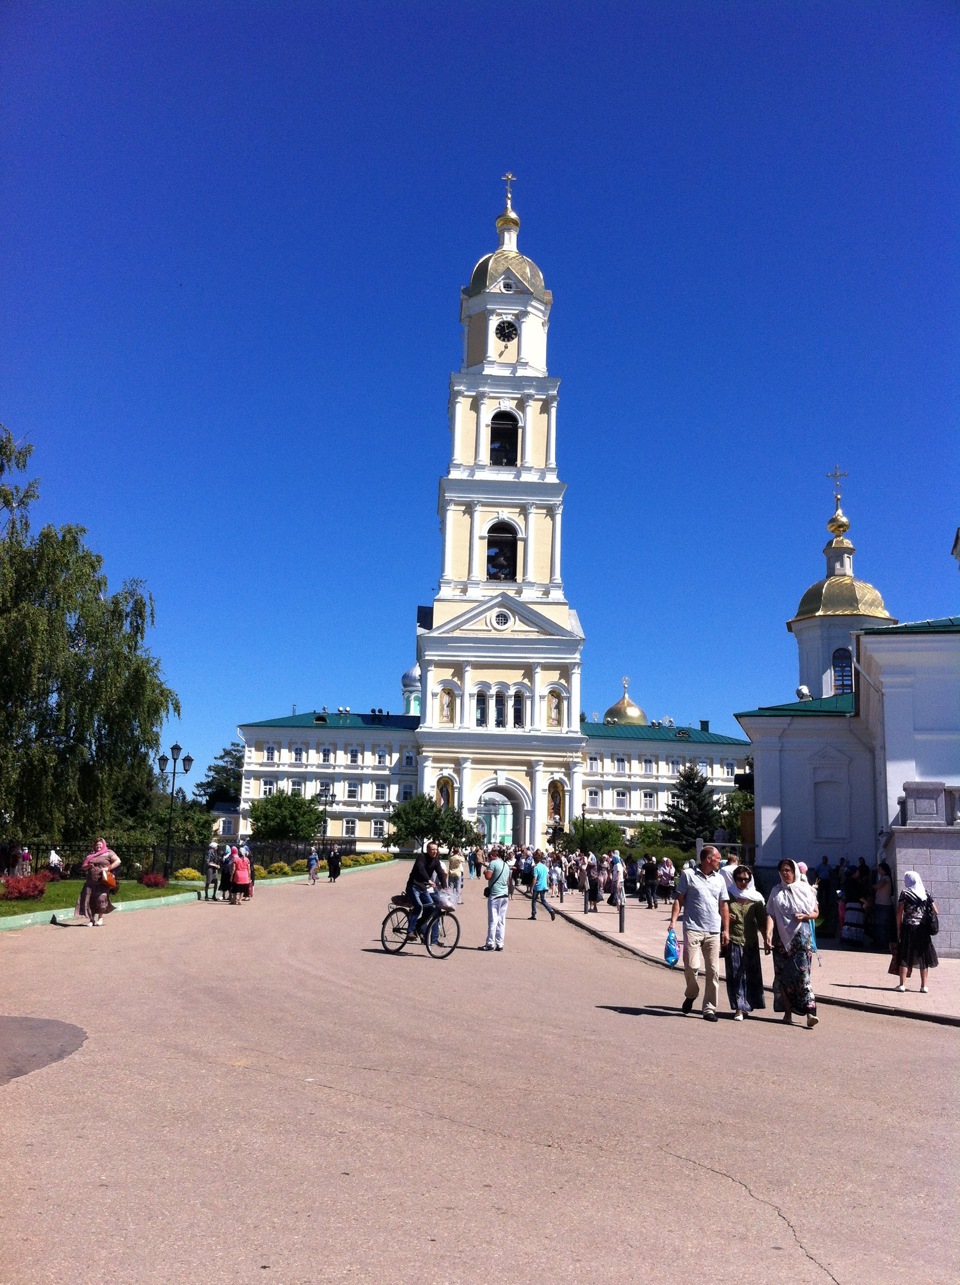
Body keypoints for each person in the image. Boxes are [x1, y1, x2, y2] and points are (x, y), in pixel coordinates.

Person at [669, 845, 730, 1021]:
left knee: (713, 971)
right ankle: (692, 993)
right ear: (708, 859)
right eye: (718, 858)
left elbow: (723, 905)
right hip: (692, 928)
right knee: (692, 966)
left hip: (713, 930)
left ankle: (709, 1009)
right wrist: (673, 921)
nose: (720, 861)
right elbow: (679, 900)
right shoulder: (688, 875)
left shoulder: (719, 879)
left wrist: (725, 930)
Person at [764, 858, 819, 1027]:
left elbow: (816, 912)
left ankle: (810, 1012)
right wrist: (767, 933)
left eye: (788, 870)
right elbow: (771, 914)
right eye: (782, 871)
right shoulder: (776, 891)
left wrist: (805, 916)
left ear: (795, 871)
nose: (785, 873)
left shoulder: (805, 889)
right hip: (781, 939)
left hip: (801, 938)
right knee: (782, 976)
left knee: (803, 975)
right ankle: (787, 1012)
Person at [725, 866, 766, 1020]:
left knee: (749, 975)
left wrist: (766, 940)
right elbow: (719, 914)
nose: (742, 882)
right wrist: (727, 918)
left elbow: (762, 922)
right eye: (739, 879)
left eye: (746, 879)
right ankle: (738, 1009)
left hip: (751, 942)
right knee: (736, 974)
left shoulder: (756, 898)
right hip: (734, 940)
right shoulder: (728, 895)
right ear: (734, 879)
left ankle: (747, 1004)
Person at [894, 871, 938, 993]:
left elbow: (899, 912)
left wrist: (899, 927)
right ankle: (924, 986)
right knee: (923, 957)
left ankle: (902, 985)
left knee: (905, 954)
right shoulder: (926, 893)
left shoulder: (905, 893)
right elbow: (936, 910)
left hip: (908, 928)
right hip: (922, 929)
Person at [405, 842, 448, 944]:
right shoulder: (421, 857)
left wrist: (445, 886)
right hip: (413, 886)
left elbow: (441, 873)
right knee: (419, 906)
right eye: (432, 849)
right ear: (428, 850)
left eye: (436, 850)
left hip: (423, 888)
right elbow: (421, 869)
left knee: (431, 907)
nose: (434, 852)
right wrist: (428, 880)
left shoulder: (436, 861)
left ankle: (418, 925)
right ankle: (410, 931)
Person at [75, 839, 121, 926]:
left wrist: (108, 868)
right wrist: (88, 866)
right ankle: (91, 920)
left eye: (100, 845)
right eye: (96, 845)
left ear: (103, 845)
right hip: (90, 882)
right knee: (90, 901)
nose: (98, 846)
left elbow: (118, 861)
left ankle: (100, 917)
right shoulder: (90, 855)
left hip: (102, 881)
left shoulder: (108, 853)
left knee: (101, 899)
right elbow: (84, 867)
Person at [479, 847, 510, 951]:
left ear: (492, 856)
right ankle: (500, 943)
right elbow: (507, 881)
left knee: (493, 920)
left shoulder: (493, 863)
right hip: (505, 894)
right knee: (501, 920)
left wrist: (485, 872)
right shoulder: (506, 865)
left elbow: (488, 876)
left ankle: (490, 943)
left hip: (495, 894)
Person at [872, 860, 895, 950]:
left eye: (880, 869)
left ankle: (883, 944)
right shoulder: (884, 878)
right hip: (881, 904)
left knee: (882, 925)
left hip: (884, 905)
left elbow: (878, 886)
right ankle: (880, 942)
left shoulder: (886, 878)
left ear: (884, 870)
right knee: (879, 925)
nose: (878, 871)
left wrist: (872, 886)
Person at [529, 852, 556, 921]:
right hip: (544, 886)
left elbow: (535, 878)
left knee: (534, 900)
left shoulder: (536, 868)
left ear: (534, 861)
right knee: (543, 901)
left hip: (537, 886)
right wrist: (547, 885)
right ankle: (551, 911)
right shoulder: (544, 867)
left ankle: (533, 914)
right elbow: (547, 876)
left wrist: (531, 887)